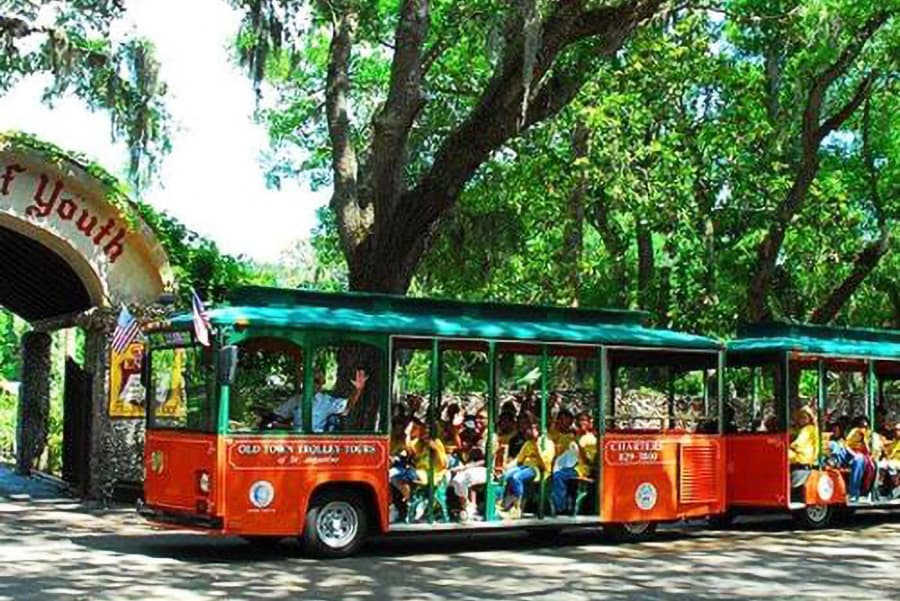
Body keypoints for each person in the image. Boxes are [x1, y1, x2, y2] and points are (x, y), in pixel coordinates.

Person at [266, 367, 368, 432]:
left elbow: (347, 406)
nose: (313, 384)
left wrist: (358, 390)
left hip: (316, 445)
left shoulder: (325, 402)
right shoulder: (296, 400)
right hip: (295, 445)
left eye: (317, 381)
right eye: (310, 380)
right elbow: (277, 416)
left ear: (321, 384)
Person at [390, 418, 449, 517]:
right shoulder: (420, 443)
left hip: (432, 474)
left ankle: (412, 503)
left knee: (406, 474)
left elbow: (444, 463)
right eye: (424, 430)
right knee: (395, 478)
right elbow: (409, 448)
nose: (425, 432)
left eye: (428, 431)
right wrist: (407, 434)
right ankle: (408, 500)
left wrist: (435, 450)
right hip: (419, 471)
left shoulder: (437, 443)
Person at [498, 419, 555, 519]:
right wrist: (506, 467)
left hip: (537, 470)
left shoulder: (547, 443)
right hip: (525, 467)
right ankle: (502, 504)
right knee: (507, 475)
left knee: (516, 477)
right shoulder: (528, 443)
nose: (528, 431)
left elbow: (544, 464)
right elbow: (519, 460)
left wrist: (538, 447)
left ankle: (517, 508)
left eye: (532, 429)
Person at [550, 411, 597, 514]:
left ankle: (560, 509)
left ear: (589, 423)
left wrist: (579, 446)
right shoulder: (571, 436)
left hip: (581, 469)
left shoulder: (590, 439)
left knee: (558, 476)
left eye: (584, 420)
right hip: (567, 466)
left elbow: (589, 461)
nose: (581, 423)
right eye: (579, 420)